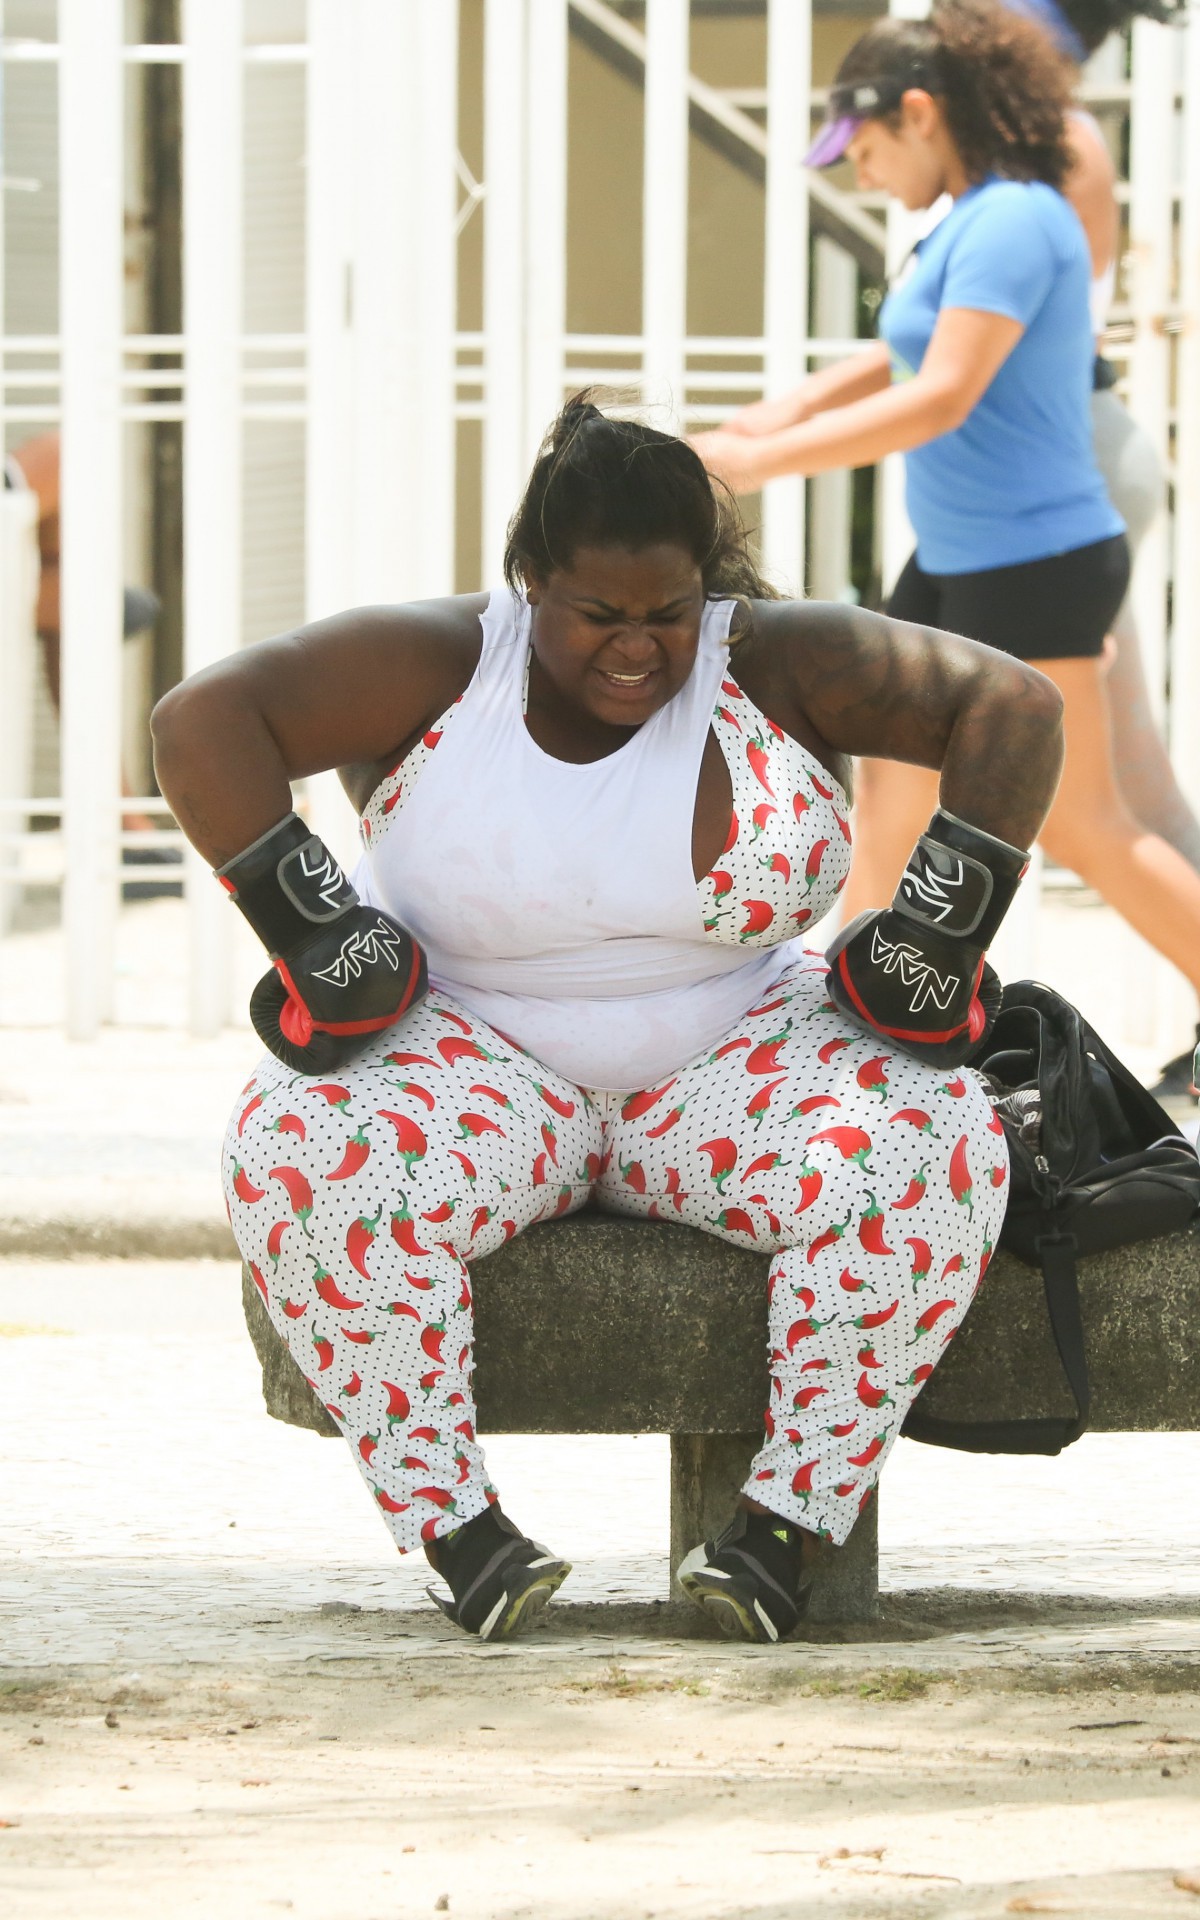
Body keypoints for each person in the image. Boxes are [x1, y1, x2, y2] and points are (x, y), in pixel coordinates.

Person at [152, 398, 1063, 1644]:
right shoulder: (438, 661)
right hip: (477, 1062)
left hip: (737, 1054)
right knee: (291, 1147)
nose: (637, 650)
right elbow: (201, 721)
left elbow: (1014, 706)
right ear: (533, 583)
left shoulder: (777, 661)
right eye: (598, 616)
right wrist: (307, 926)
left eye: (668, 614)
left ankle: (783, 1530)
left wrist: (941, 927)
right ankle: (461, 1534)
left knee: (941, 1134)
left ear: (707, 592)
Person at [693, 0, 1200, 1069]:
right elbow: (897, 354)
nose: (861, 172)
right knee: (889, 777)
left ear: (919, 113)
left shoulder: (1018, 216)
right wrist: (757, 422)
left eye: (866, 146)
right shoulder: (964, 217)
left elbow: (944, 395)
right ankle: (828, 1033)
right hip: (963, 556)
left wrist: (754, 463)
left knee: (1082, 823)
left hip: (1039, 561)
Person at [1007, 0, 1198, 1095]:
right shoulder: (1042, 136)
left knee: (1101, 805)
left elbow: (1011, 347)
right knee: (1130, 790)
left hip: (1065, 468)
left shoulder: (1055, 142)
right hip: (1059, 467)